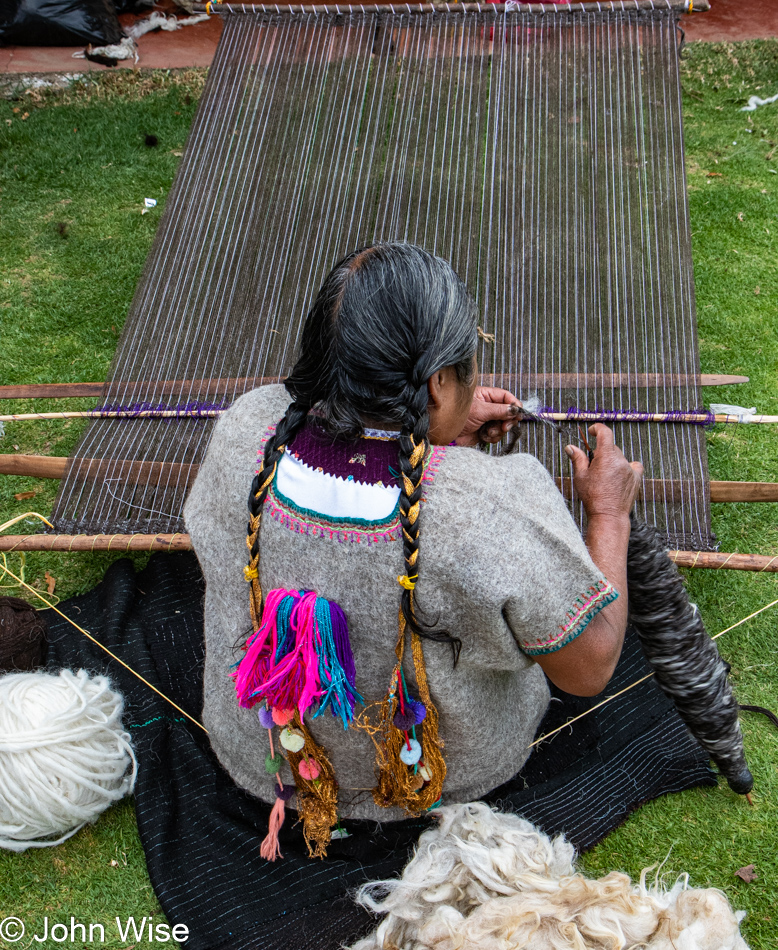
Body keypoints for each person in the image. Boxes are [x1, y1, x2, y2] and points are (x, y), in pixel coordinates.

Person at [184, 242, 642, 858]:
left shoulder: (246, 430)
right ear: (436, 382)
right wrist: (608, 515)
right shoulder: (489, 505)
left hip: (262, 753)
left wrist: (434, 426)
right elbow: (590, 669)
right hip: (433, 779)